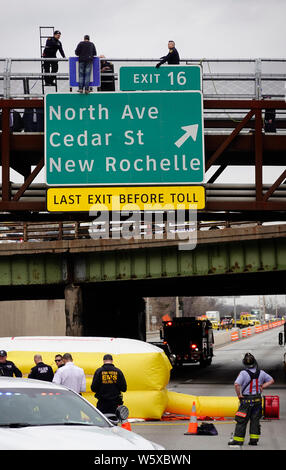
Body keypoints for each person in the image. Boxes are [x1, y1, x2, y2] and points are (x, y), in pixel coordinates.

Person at [228, 352, 274, 447]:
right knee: (255, 420)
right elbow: (271, 380)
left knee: (241, 420)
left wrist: (239, 395)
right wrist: (262, 386)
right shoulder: (261, 372)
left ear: (244, 363)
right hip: (257, 400)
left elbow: (237, 384)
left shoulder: (243, 373)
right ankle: (254, 440)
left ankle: (238, 440)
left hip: (246, 401)